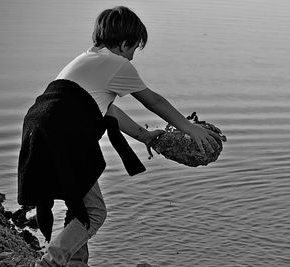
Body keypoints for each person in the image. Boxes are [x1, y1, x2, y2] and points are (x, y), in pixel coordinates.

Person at [19, 5, 220, 267]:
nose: (133, 58)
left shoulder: (86, 60)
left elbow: (107, 109)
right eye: (134, 49)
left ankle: (75, 264)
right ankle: (49, 264)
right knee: (94, 212)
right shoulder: (116, 64)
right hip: (62, 139)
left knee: (79, 206)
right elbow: (154, 101)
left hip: (38, 131)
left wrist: (145, 136)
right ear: (125, 43)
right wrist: (189, 128)